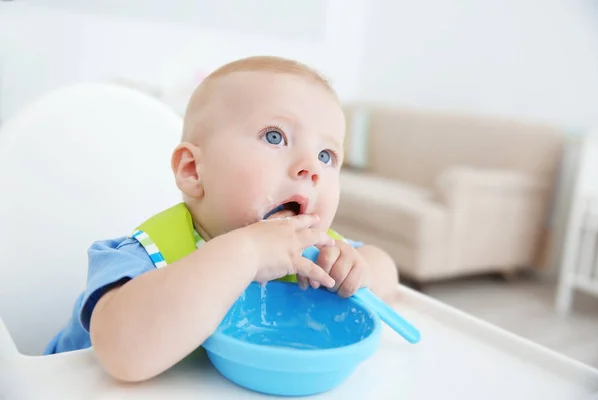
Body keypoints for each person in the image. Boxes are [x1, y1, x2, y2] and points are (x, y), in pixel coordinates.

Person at [44, 56, 399, 383]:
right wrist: (244, 253)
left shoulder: (312, 253)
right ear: (193, 170)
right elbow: (123, 354)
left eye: (327, 155)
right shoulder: (143, 257)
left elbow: (388, 275)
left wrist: (357, 271)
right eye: (275, 137)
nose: (311, 168)